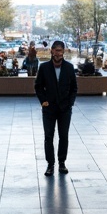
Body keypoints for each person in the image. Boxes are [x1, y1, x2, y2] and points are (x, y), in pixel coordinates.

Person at [35, 40, 77, 176]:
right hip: (49, 109)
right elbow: (38, 86)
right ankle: (50, 164)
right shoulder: (44, 67)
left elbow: (74, 88)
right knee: (49, 137)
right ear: (51, 51)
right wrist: (43, 101)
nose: (58, 53)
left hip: (65, 109)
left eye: (60, 50)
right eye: (55, 50)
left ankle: (62, 163)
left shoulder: (69, 68)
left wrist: (70, 102)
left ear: (63, 51)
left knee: (63, 136)